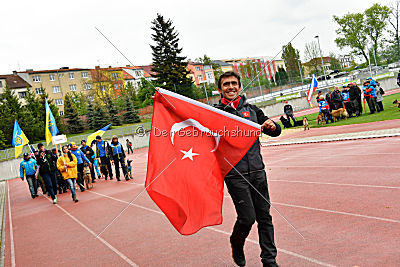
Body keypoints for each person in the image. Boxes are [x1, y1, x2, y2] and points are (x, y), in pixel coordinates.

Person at [214, 71, 281, 267]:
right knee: (247, 218)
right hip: (235, 175)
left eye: (234, 83)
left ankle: (269, 260)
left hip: (258, 172)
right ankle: (237, 242)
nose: (231, 87)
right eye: (226, 84)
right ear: (220, 89)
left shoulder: (252, 110)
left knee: (265, 217)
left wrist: (272, 125)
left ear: (239, 87)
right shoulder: (215, 113)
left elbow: (275, 130)